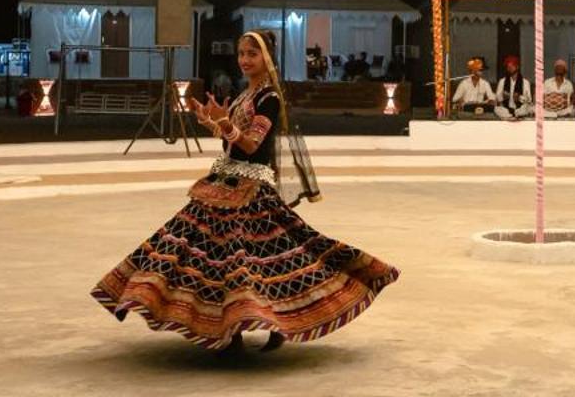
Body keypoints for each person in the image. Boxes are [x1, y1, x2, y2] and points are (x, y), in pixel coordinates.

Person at [93, 30, 397, 352]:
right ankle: (230, 329)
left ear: (266, 58)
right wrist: (210, 121)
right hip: (224, 184)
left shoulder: (269, 98)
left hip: (252, 192)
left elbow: (251, 145)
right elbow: (231, 143)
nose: (244, 60)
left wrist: (225, 124)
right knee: (208, 256)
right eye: (241, 53)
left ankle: (264, 327)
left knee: (257, 262)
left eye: (252, 53)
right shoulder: (243, 95)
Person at [494, 54, 534, 120]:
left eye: (511, 66)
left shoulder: (525, 82)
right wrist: (503, 96)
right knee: (497, 109)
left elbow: (529, 100)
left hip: (520, 109)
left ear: (517, 67)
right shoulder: (502, 81)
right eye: (508, 67)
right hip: (506, 110)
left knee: (529, 108)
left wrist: (519, 98)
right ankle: (509, 116)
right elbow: (498, 99)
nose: (509, 69)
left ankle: (514, 115)